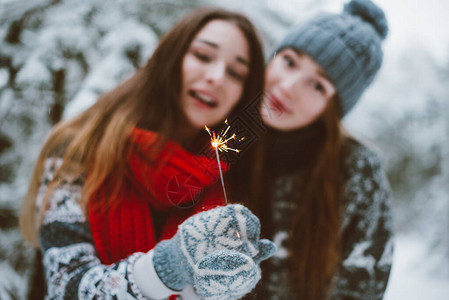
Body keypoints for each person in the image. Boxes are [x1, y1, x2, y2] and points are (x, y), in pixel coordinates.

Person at [19, 7, 276, 300]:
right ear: (170, 57)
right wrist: (170, 266)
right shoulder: (80, 147)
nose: (217, 77)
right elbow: (64, 288)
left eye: (236, 73)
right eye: (203, 56)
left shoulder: (229, 181)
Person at [228, 0, 394, 299]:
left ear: (333, 108)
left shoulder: (355, 170)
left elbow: (362, 286)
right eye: (289, 61)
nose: (289, 86)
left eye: (317, 85)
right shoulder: (222, 127)